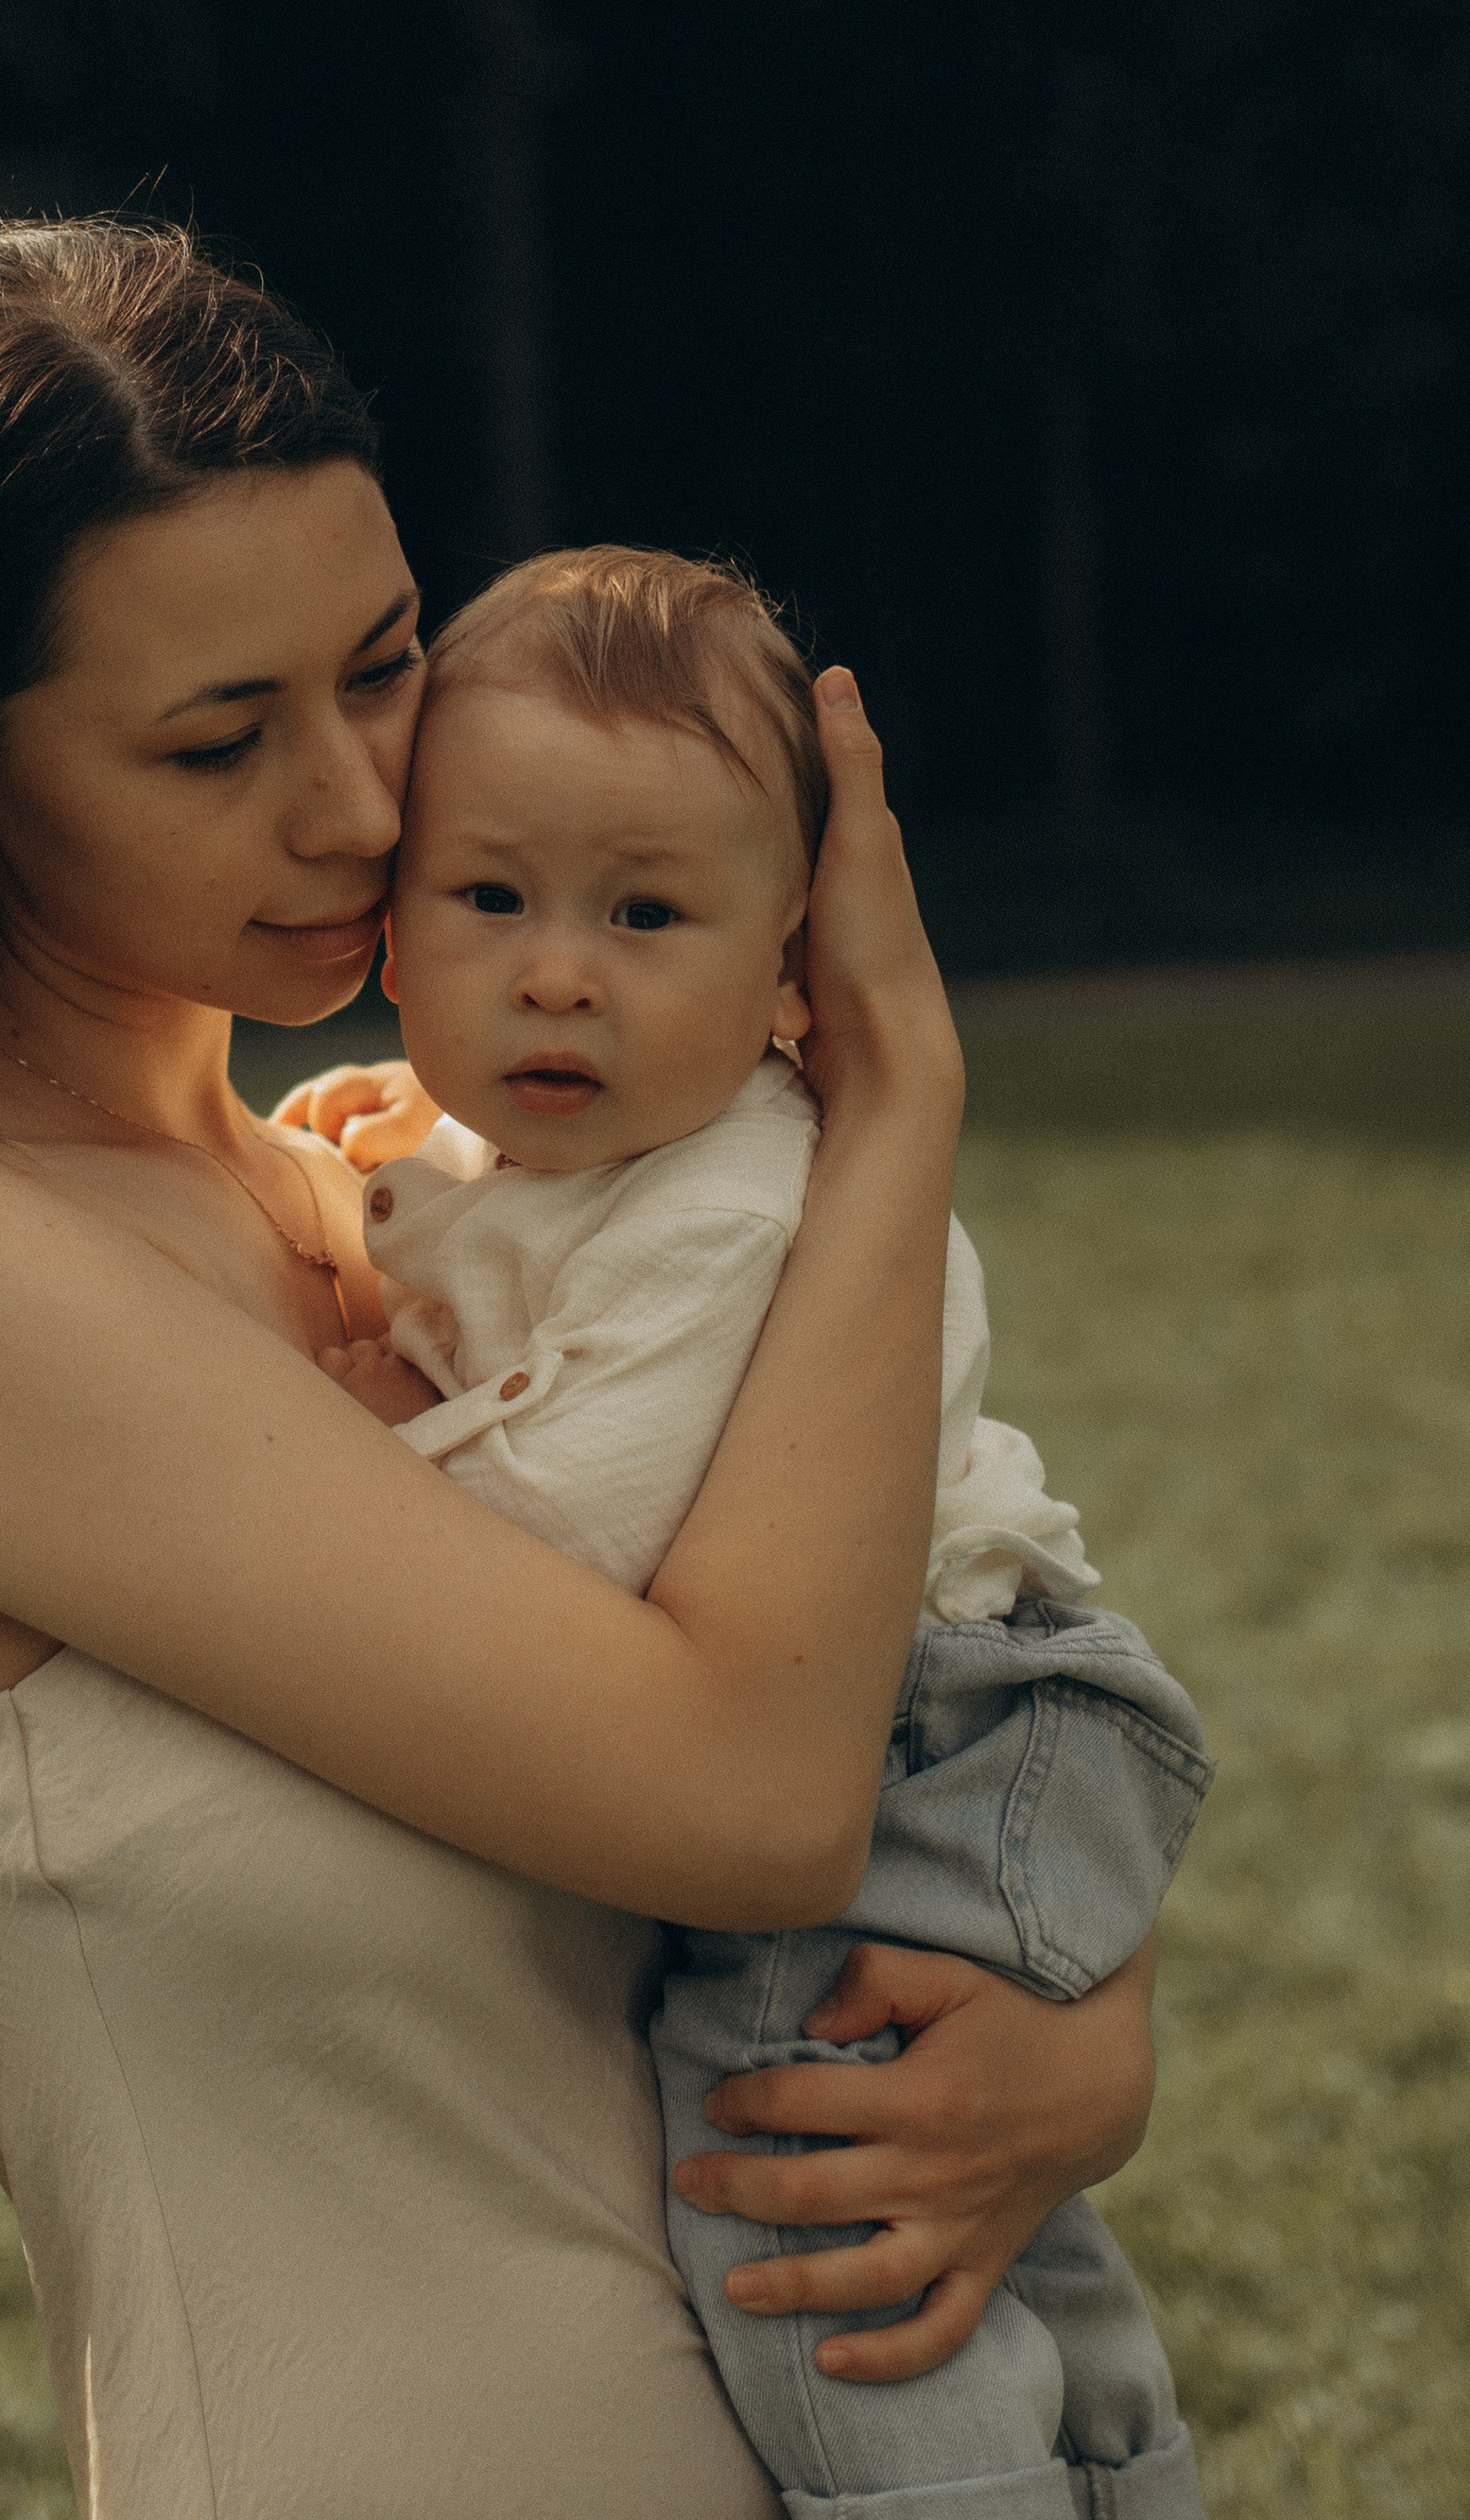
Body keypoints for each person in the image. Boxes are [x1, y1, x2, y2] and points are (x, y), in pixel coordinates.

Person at [0, 219, 1165, 2520]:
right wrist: (888, 1103)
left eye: (386, 667)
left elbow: (822, 1774)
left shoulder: (382, 1202)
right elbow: (740, 1787)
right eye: (217, 738)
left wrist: (1059, 2029)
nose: (352, 802)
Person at [310, 544, 1209, 2520]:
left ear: (788, 971)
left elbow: (577, 1527)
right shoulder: (500, 1143)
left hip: (942, 1721)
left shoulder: (735, 1203)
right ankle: (1112, 2466)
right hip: (943, 1701)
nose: (556, 970)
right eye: (489, 900)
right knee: (968, 2187)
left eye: (645, 913)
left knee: (804, 2196)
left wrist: (375, 1433)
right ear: (392, 927)